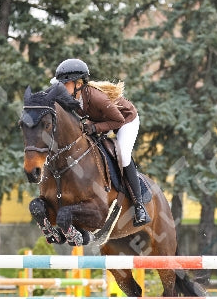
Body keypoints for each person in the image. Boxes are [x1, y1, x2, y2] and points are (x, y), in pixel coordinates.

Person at [51, 58, 150, 227]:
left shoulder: (97, 98)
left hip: (125, 120)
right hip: (103, 120)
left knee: (124, 156)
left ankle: (139, 206)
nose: (61, 87)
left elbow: (118, 121)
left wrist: (95, 128)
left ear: (78, 83)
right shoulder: (73, 97)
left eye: (64, 83)